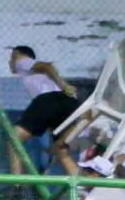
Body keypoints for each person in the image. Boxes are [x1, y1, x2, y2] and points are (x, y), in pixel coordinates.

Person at [6, 45, 78, 177]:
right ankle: (80, 188)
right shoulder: (35, 75)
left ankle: (16, 185)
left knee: (14, 138)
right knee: (61, 151)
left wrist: (63, 85)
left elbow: (47, 67)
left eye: (11, 57)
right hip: (69, 103)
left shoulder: (22, 61)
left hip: (50, 99)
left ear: (16, 54)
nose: (9, 62)